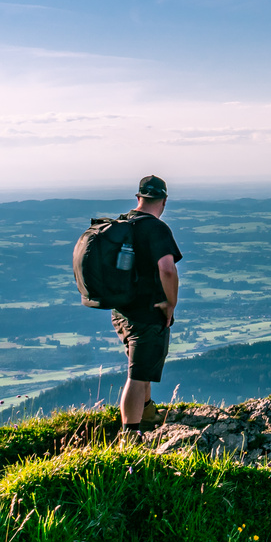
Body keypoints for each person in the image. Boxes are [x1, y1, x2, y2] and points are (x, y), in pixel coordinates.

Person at [113, 175, 182, 432]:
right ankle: (130, 434)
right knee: (138, 374)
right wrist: (170, 303)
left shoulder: (122, 223)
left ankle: (148, 412)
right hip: (146, 312)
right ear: (164, 201)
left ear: (138, 198)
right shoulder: (156, 228)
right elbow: (167, 270)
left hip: (122, 311)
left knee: (141, 364)